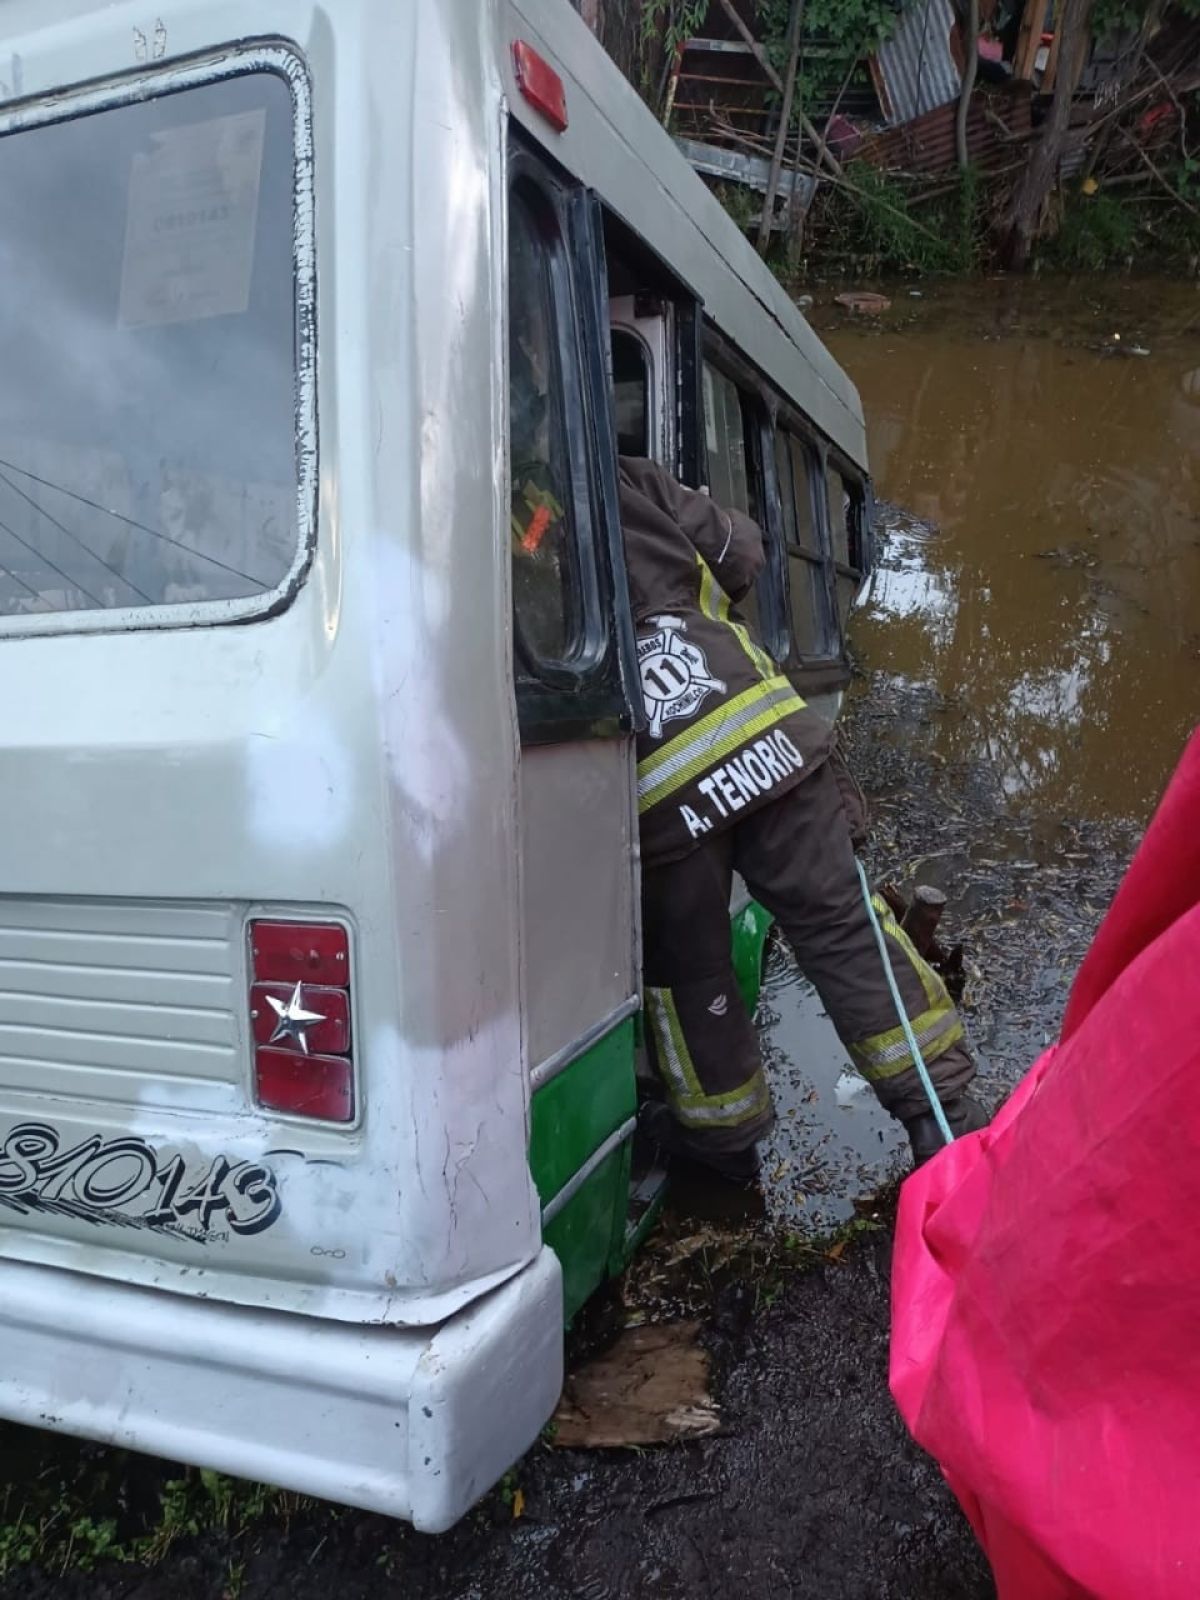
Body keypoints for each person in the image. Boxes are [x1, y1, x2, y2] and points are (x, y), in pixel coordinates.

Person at [618, 455, 987, 1179]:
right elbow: (740, 553)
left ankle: (722, 1152)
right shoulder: (620, 471)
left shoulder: (469, 522)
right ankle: (944, 1121)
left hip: (658, 791)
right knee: (843, 929)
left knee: (689, 975)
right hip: (766, 742)